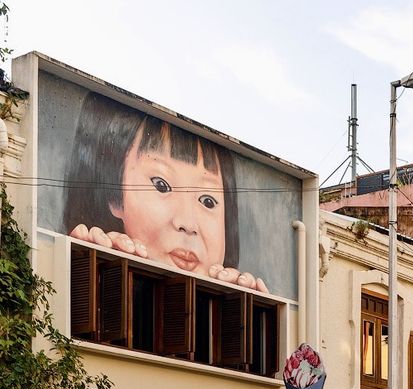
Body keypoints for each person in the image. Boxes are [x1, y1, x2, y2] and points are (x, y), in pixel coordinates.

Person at [63, 91, 268, 292]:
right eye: (162, 185)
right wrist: (85, 274)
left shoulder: (231, 304)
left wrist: (247, 309)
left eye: (207, 201)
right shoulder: (78, 266)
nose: (187, 224)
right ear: (114, 198)